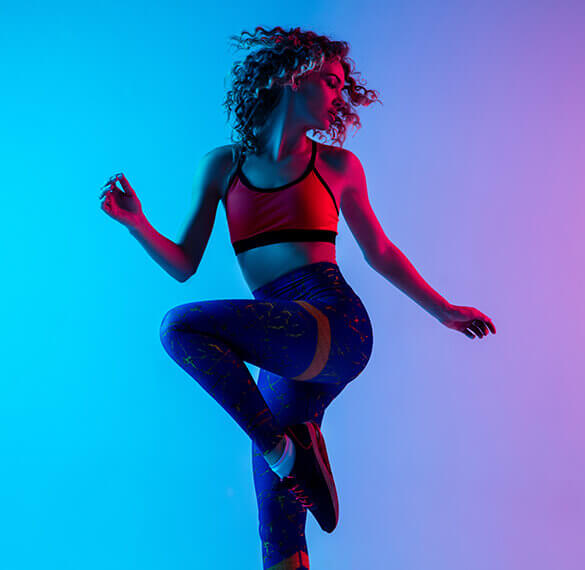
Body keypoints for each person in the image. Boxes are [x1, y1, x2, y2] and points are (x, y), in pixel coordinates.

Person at [98, 25, 496, 570]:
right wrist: (137, 224)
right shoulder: (222, 167)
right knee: (277, 524)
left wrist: (444, 310)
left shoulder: (337, 166)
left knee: (182, 329)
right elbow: (184, 265)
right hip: (283, 350)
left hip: (334, 325)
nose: (338, 96)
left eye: (341, 87)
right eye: (330, 81)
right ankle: (290, 453)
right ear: (292, 76)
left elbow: (380, 251)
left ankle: (286, 452)